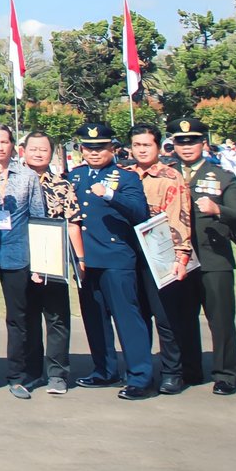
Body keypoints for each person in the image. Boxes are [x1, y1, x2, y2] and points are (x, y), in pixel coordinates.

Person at [69, 122, 156, 400]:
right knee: (94, 318)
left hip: (116, 257)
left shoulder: (126, 177)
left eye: (100, 147)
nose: (94, 152)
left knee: (127, 319)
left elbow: (139, 212)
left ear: (112, 148)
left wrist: (110, 195)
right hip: (86, 258)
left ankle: (140, 376)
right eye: (88, 147)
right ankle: (104, 370)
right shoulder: (75, 176)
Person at [169, 117, 236, 394]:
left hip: (213, 257)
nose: (186, 146)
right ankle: (190, 370)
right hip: (180, 260)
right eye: (181, 141)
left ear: (203, 143)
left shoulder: (222, 176)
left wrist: (218, 210)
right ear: (173, 144)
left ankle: (226, 374)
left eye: (192, 141)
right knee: (183, 318)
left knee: (221, 320)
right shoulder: (168, 174)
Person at [0, 124, 46, 398]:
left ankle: (17, 374)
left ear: (13, 145)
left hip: (17, 252)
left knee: (18, 316)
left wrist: (40, 261)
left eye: (5, 141)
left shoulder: (27, 176)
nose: (1, 147)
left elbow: (38, 216)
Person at [123, 124, 192, 394]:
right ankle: (141, 371)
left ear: (158, 146)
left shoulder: (170, 177)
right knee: (137, 317)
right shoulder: (123, 174)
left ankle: (172, 372)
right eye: (137, 145)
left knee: (165, 317)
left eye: (147, 145)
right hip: (130, 254)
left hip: (160, 254)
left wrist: (181, 256)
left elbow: (180, 218)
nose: (141, 150)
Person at [20, 132, 81, 395]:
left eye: (43, 149)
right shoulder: (14, 180)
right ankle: (32, 372)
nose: (38, 153)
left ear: (52, 153)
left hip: (53, 257)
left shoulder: (62, 184)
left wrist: (79, 260)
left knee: (57, 317)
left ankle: (58, 373)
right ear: (23, 151)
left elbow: (73, 222)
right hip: (23, 257)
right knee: (28, 317)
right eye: (33, 149)